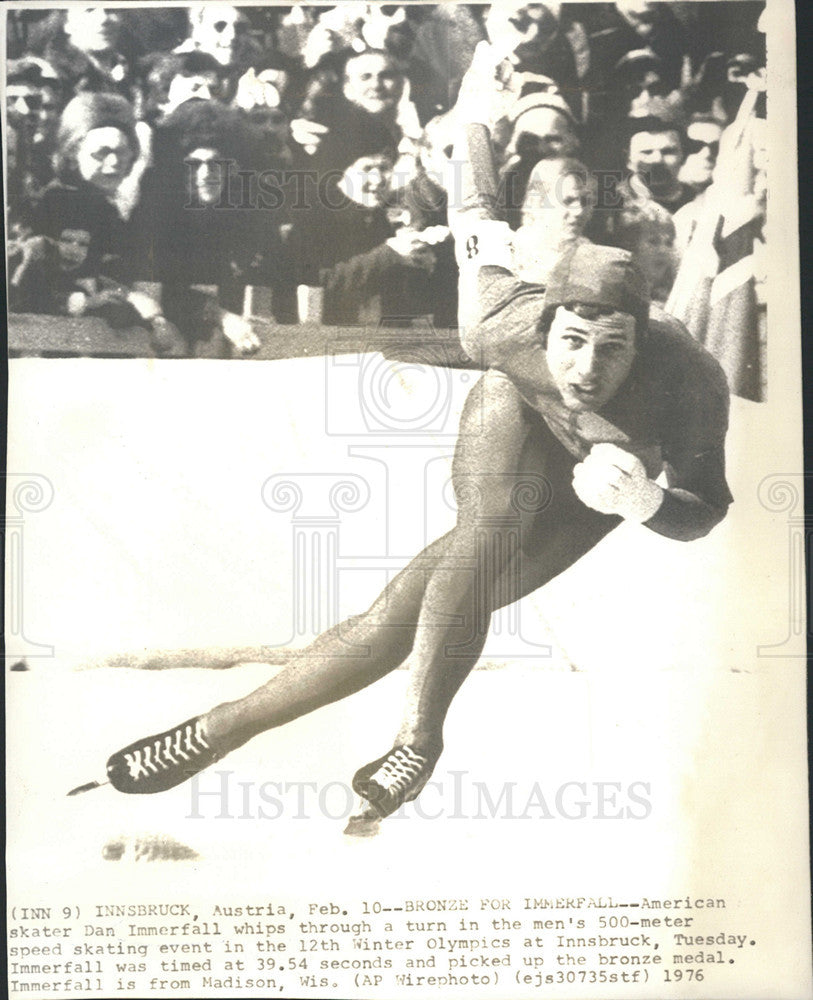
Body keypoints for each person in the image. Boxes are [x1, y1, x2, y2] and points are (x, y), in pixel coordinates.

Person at [89, 68, 732, 826]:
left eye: (611, 349)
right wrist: (476, 124)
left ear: (642, 345)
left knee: (395, 622)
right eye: (572, 342)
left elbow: (705, 509)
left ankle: (217, 728)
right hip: (515, 417)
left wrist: (645, 501)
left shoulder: (688, 377)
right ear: (542, 326)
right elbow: (475, 206)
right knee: (483, 534)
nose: (587, 369)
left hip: (597, 480)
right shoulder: (496, 322)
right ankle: (417, 738)